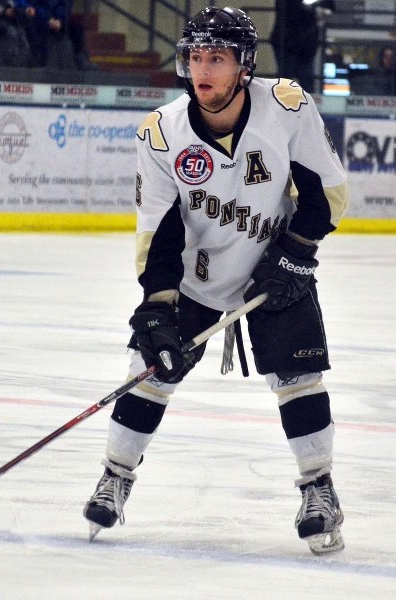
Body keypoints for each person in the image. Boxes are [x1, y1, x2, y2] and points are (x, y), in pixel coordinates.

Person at [83, 6, 349, 556]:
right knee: (147, 372)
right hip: (195, 280)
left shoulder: (286, 108)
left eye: (217, 59)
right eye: (195, 57)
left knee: (298, 377)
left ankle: (319, 489)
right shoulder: (162, 133)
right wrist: (157, 306)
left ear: (244, 66)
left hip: (273, 267)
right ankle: (115, 476)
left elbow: (329, 193)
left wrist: (296, 254)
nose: (202, 71)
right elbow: (157, 230)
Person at [271, 0, 334, 93]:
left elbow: (330, 6)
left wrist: (315, 11)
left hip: (301, 42)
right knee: (288, 78)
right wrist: (315, 12)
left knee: (301, 79)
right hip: (289, 41)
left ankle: (290, 103)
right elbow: (291, 10)